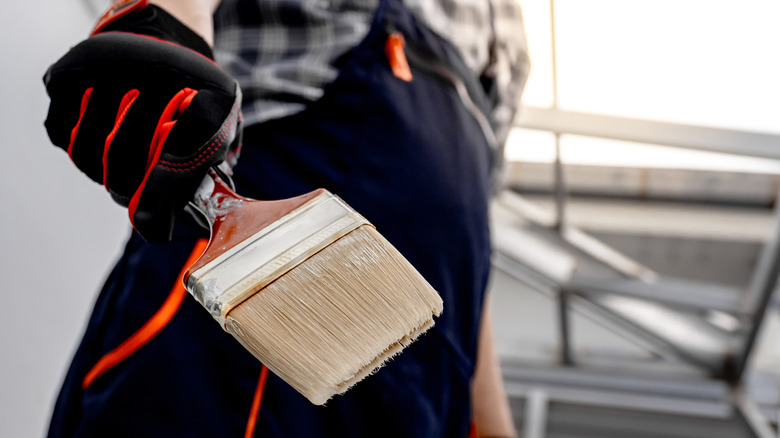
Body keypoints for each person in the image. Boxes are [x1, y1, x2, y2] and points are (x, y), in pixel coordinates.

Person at [43, 0, 529, 436]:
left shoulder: (505, 23)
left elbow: (468, 261)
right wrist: (168, 28)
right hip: (245, 309)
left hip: (420, 385)